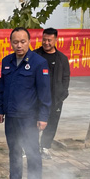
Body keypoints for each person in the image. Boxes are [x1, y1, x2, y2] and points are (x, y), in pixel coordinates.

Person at [0, 27, 51, 179]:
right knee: (14, 150)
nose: (19, 45)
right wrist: (1, 109)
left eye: (22, 42)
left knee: (32, 152)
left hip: (29, 117)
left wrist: (43, 117)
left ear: (29, 41)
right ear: (10, 42)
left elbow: (45, 93)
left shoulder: (38, 63)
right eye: (15, 42)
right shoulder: (7, 61)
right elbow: (3, 89)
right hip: (11, 116)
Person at [34, 28, 71, 159]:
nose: (46, 43)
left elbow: (66, 77)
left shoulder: (62, 58)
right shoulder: (34, 55)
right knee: (33, 123)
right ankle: (30, 147)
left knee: (52, 124)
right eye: (44, 39)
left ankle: (45, 147)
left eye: (49, 40)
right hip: (36, 99)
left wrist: (63, 93)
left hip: (55, 98)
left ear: (56, 40)